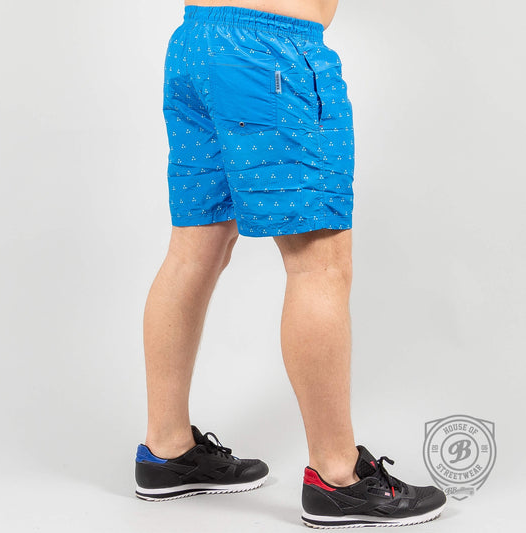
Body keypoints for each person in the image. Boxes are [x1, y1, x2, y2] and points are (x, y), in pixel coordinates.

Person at [134, 0, 447, 528]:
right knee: (319, 265)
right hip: (271, 53)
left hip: (196, 42)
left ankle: (166, 450)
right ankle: (337, 477)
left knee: (194, 250)